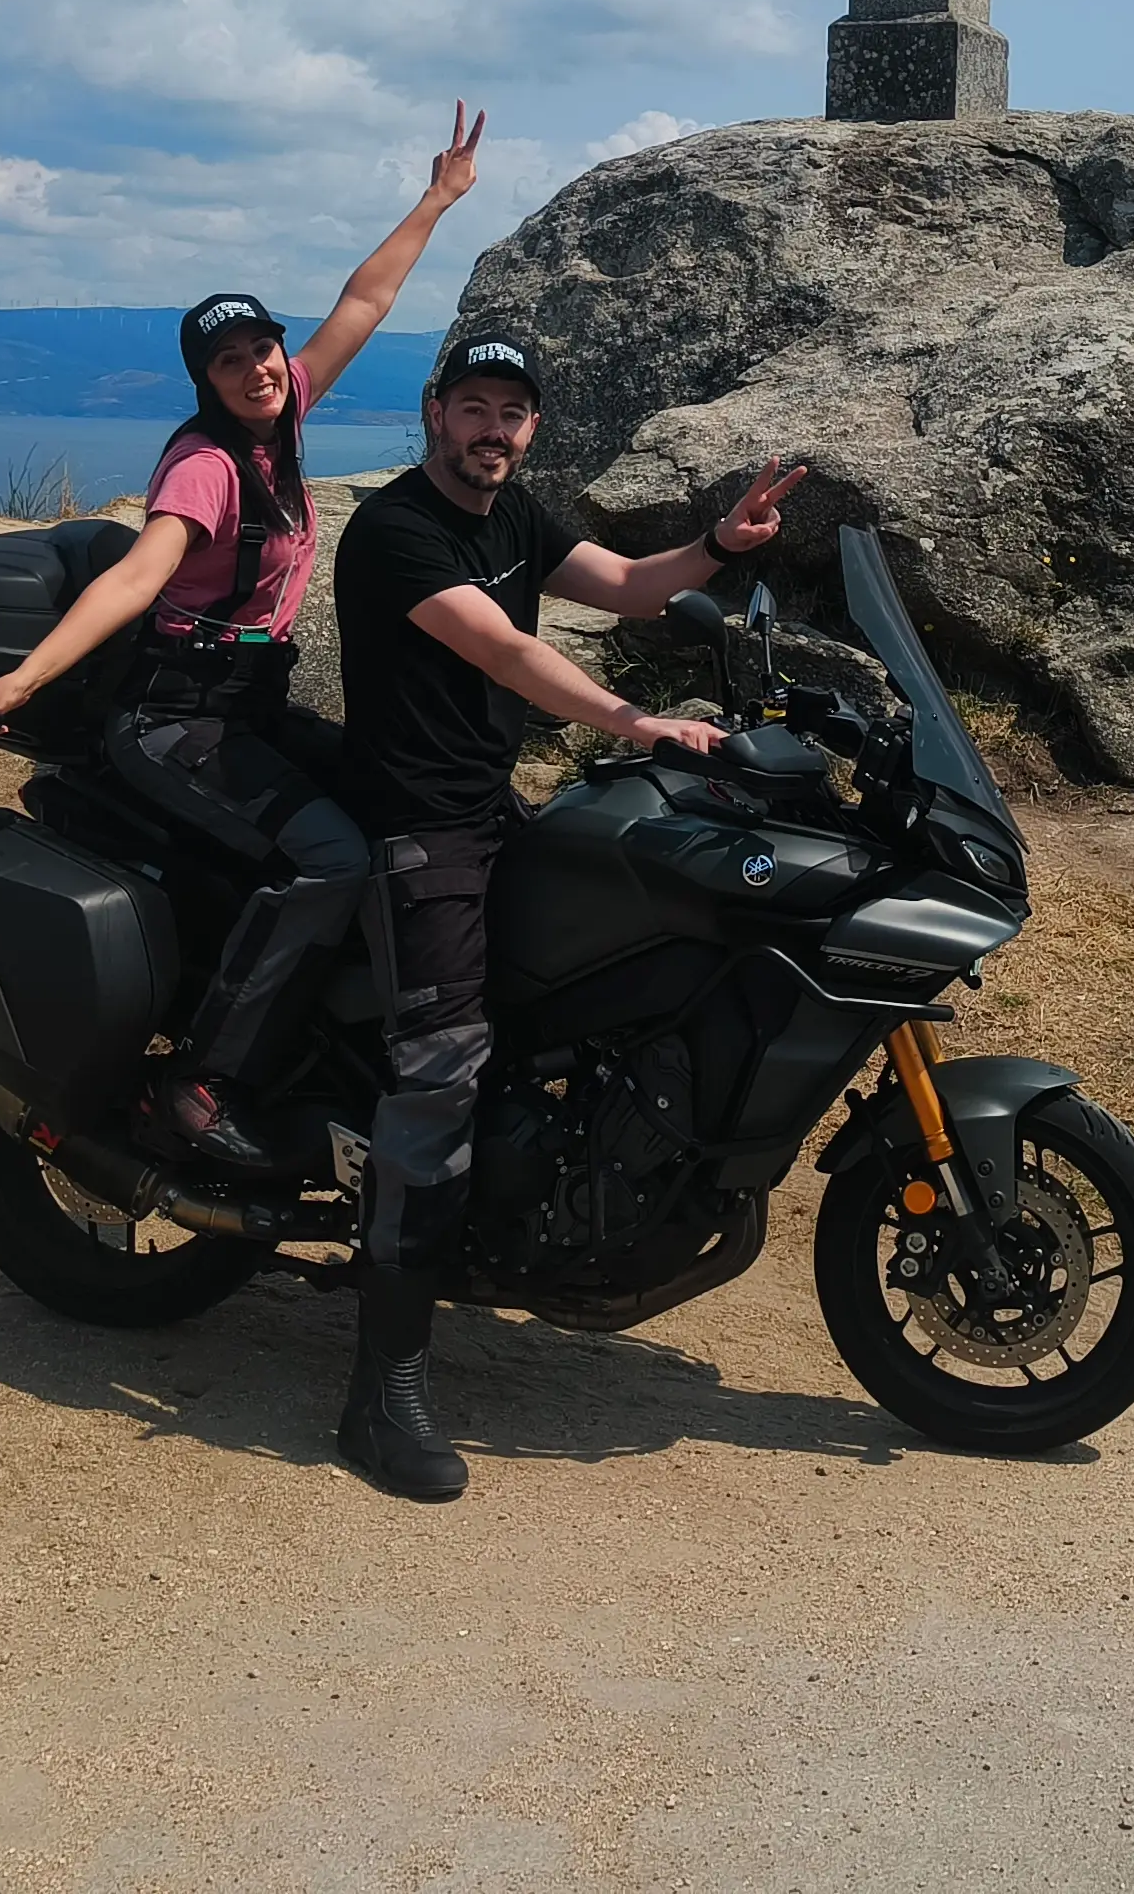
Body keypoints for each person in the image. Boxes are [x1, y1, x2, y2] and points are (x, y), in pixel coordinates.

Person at [0, 105, 489, 1178]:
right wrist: (23, 680)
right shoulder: (207, 467)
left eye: (262, 347)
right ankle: (206, 1080)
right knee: (331, 858)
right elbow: (138, 575)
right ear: (204, 382)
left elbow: (364, 302)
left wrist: (437, 200)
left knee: (399, 805)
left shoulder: (286, 413)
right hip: (175, 723)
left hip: (248, 710)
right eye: (230, 361)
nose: (257, 368)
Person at [319, 331, 806, 1501]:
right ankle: (382, 1394)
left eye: (512, 412)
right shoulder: (394, 530)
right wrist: (635, 723)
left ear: (531, 427)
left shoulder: (516, 518)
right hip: (419, 827)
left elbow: (630, 585)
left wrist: (719, 546)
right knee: (440, 1072)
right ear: (435, 412)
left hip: (491, 807)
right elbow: (505, 652)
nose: (493, 429)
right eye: (474, 407)